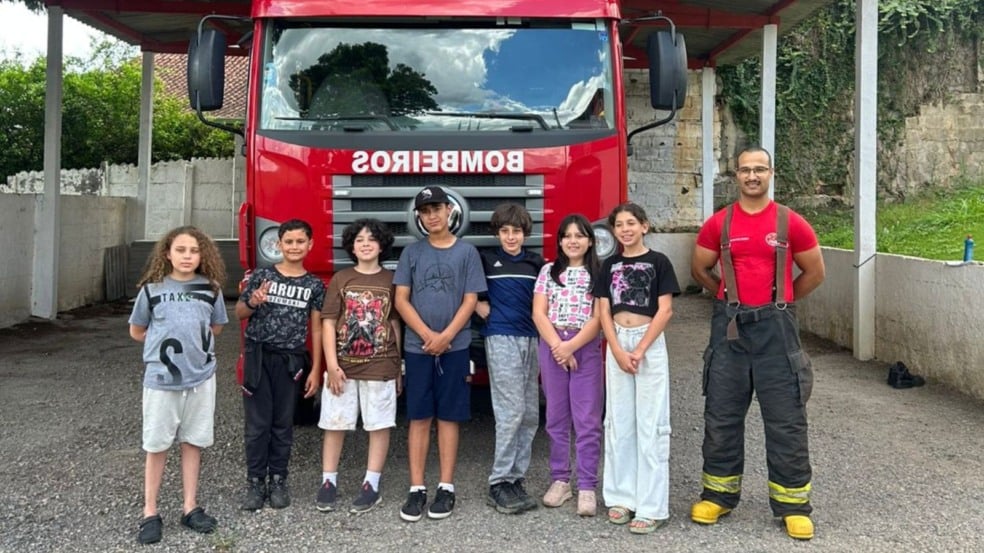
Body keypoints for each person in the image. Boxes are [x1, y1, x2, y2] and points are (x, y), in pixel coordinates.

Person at [690, 146, 825, 540]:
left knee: (786, 419)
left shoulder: (791, 222)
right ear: (736, 176)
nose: (752, 176)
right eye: (745, 170)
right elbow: (699, 268)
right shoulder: (718, 224)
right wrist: (728, 297)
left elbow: (815, 272)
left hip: (776, 330)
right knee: (721, 415)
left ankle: (793, 506)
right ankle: (717, 495)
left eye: (759, 169)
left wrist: (779, 302)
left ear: (771, 173)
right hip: (729, 329)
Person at [128, 226, 229, 545]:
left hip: (199, 379)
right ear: (167, 253)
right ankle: (149, 511)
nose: (188, 256)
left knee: (193, 442)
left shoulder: (211, 289)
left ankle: (190, 506)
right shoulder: (151, 289)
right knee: (156, 445)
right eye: (181, 250)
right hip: (162, 381)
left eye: (194, 251)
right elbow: (137, 330)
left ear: (204, 255)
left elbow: (216, 327)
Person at [394, 186, 486, 522]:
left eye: (437, 208)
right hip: (418, 348)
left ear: (450, 211)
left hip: (455, 346)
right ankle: (416, 487)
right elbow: (402, 299)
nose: (432, 215)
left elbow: (471, 300)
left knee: (449, 416)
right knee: (419, 416)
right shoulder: (412, 254)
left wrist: (446, 336)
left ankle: (446, 486)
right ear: (418, 216)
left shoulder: (466, 253)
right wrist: (426, 335)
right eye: (425, 210)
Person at [594, 202, 680, 534]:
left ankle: (652, 505)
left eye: (632, 223)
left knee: (652, 423)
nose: (625, 229)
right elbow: (603, 308)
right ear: (614, 231)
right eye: (619, 225)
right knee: (618, 421)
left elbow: (666, 310)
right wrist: (615, 348)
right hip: (617, 341)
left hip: (648, 341)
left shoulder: (659, 262)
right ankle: (621, 497)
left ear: (644, 226)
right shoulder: (609, 264)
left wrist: (641, 348)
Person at [236, 219, 325, 511]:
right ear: (279, 244)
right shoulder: (263, 276)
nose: (295, 247)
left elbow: (316, 329)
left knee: (283, 423)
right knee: (257, 424)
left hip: (291, 361)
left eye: (301, 241)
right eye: (289, 241)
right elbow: (239, 311)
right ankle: (254, 482)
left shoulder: (313, 285)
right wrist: (254, 302)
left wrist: (316, 369)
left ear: (310, 245)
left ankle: (278, 480)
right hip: (259, 357)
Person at [316, 219, 401, 515]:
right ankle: (328, 481)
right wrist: (332, 363)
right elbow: (328, 321)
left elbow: (393, 322)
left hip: (381, 365)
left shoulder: (392, 280)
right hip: (343, 368)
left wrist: (398, 363)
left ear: (382, 245)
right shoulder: (341, 279)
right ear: (351, 246)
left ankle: (371, 484)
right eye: (359, 239)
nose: (365, 243)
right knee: (334, 422)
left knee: (378, 423)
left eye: (372, 239)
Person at [475, 203, 545, 514]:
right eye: (505, 231)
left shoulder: (536, 264)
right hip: (501, 336)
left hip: (532, 338)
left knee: (530, 412)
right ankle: (499, 481)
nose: (511, 237)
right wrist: (478, 303)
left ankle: (516, 477)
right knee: (511, 410)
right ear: (497, 233)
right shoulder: (487, 260)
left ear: (525, 233)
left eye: (516, 231)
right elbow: (467, 289)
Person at [531, 214, 603, 517]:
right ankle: (561, 480)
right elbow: (538, 312)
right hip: (552, 345)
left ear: (589, 240)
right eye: (567, 235)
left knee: (587, 419)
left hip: (584, 346)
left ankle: (587, 485)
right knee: (557, 417)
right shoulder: (549, 271)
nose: (573, 241)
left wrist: (571, 346)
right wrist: (558, 348)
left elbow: (599, 317)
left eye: (579, 235)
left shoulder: (599, 272)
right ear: (560, 241)